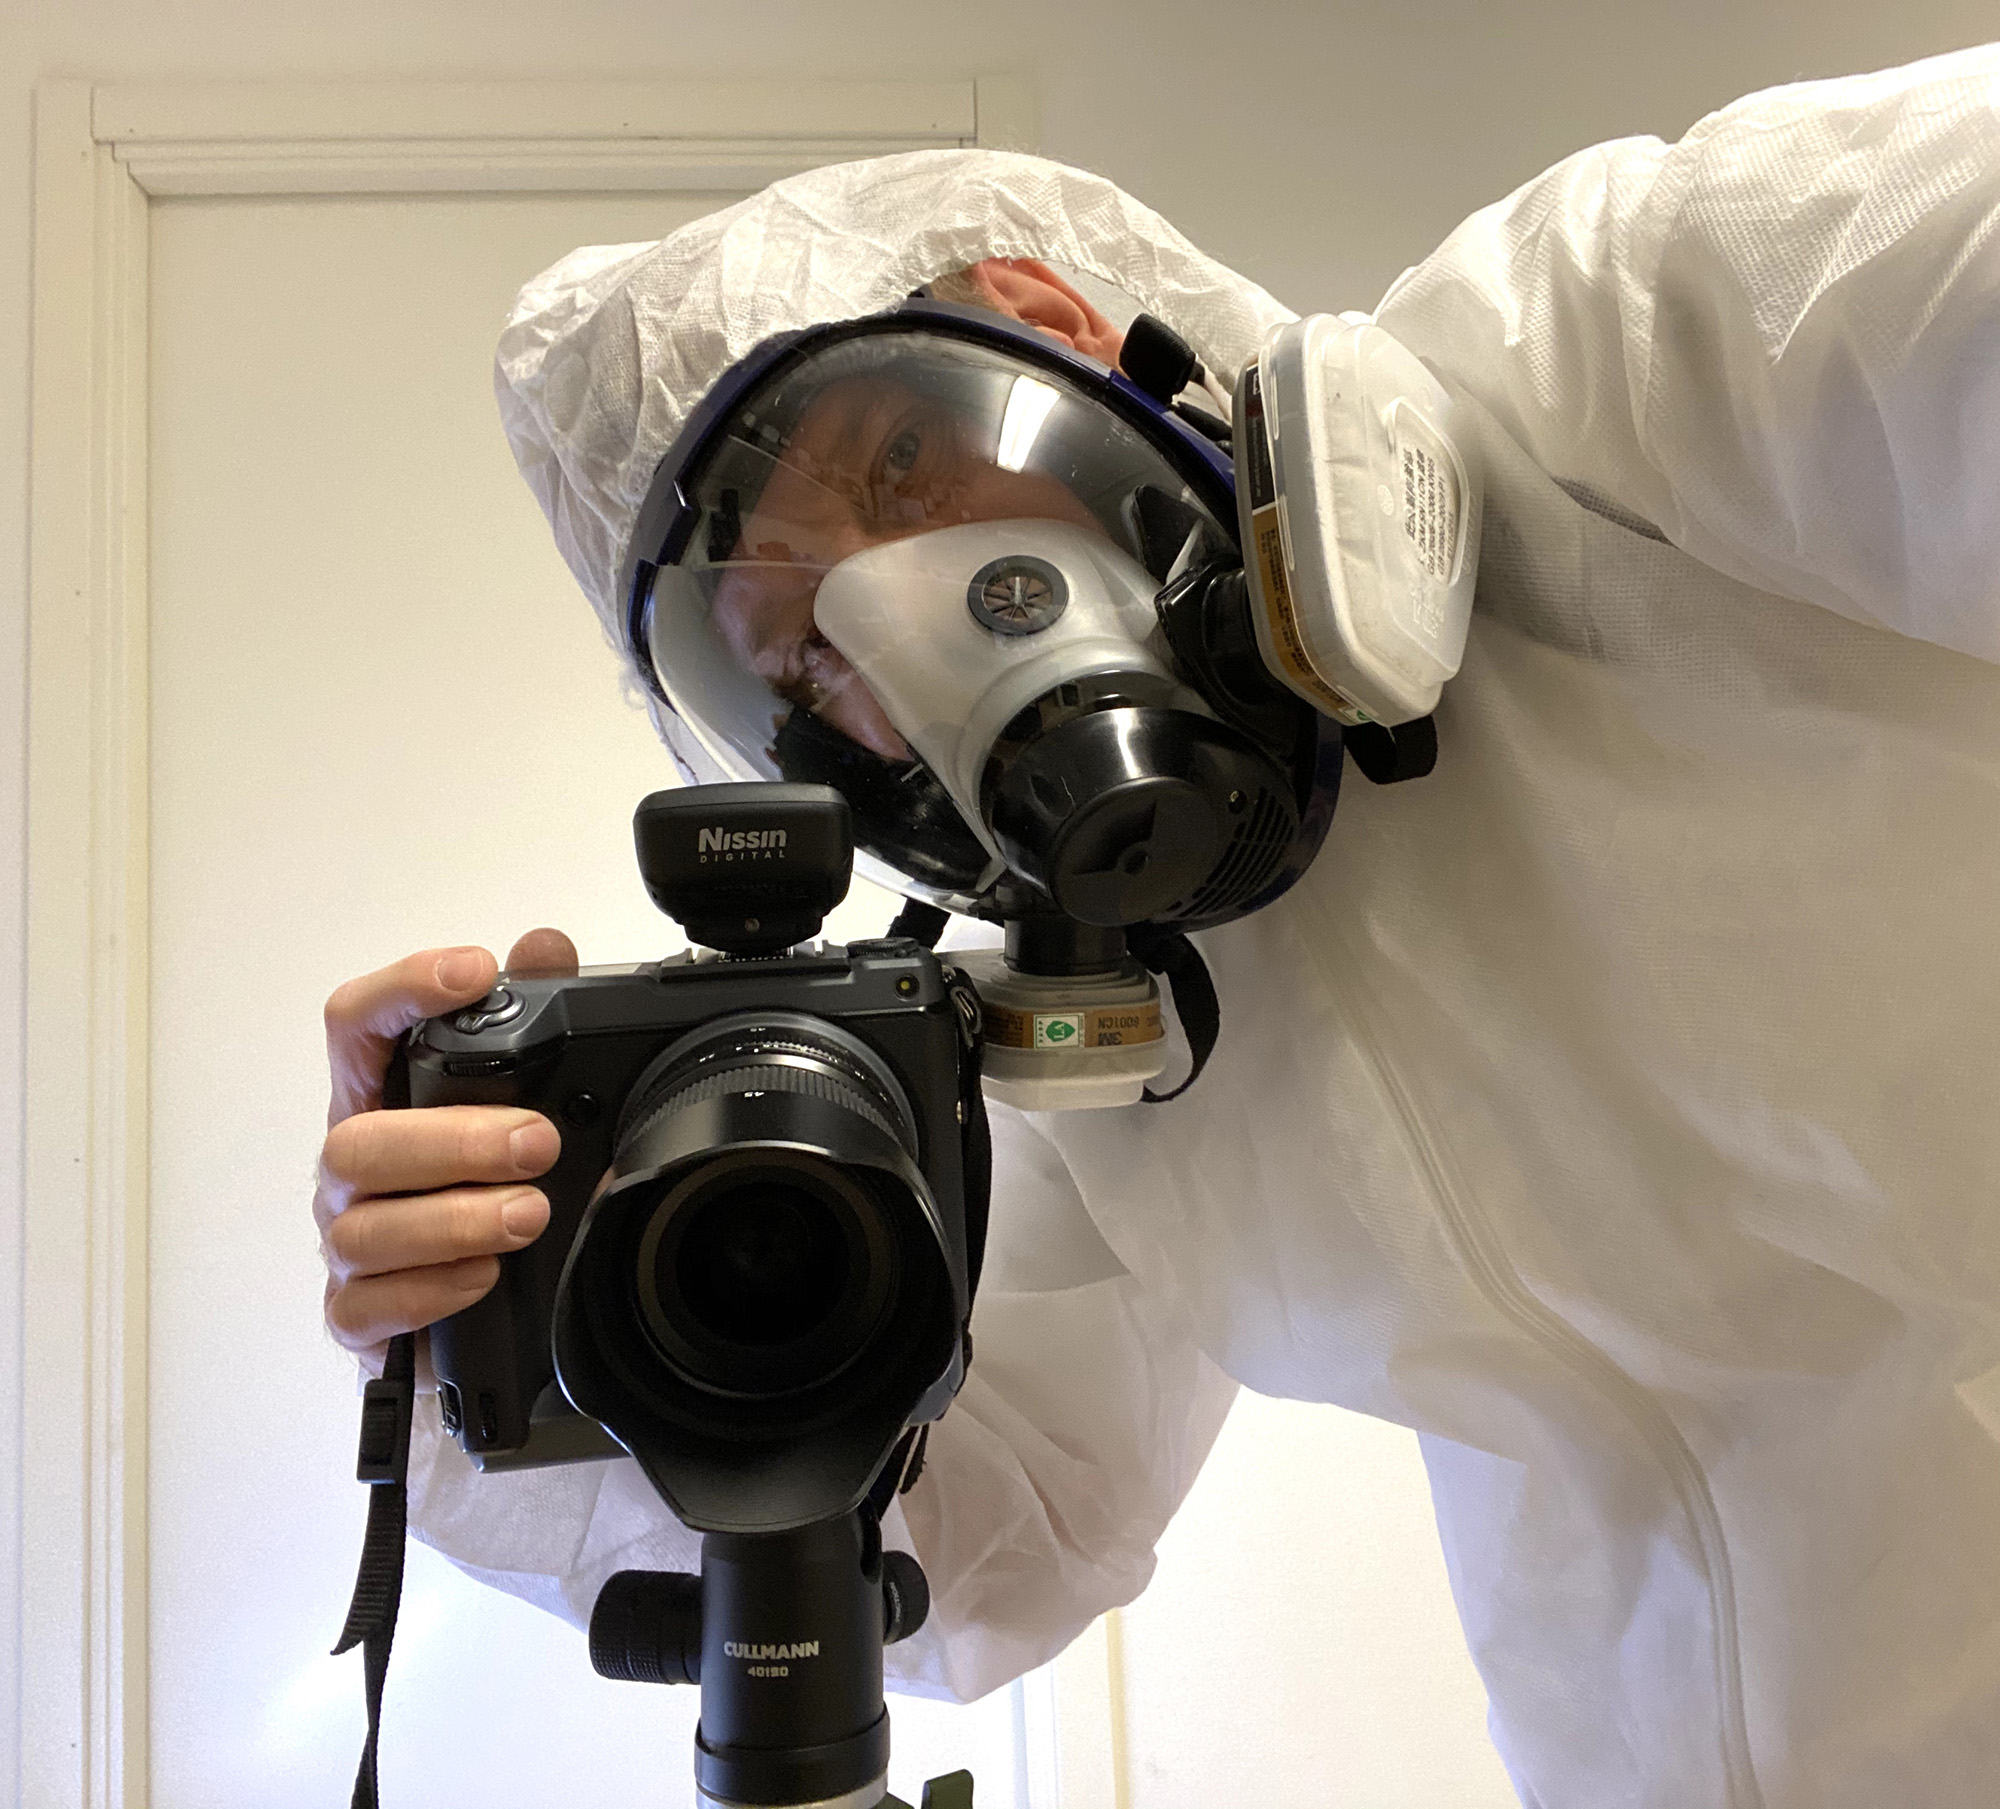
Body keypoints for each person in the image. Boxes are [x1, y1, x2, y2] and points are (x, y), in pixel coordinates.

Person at [315, 46, 2000, 1808]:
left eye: (904, 465)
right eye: (812, 648)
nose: (906, 622)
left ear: (1058, 326)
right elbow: (991, 1542)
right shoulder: (1120, 1041)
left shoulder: (1616, 352)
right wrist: (515, 1294)